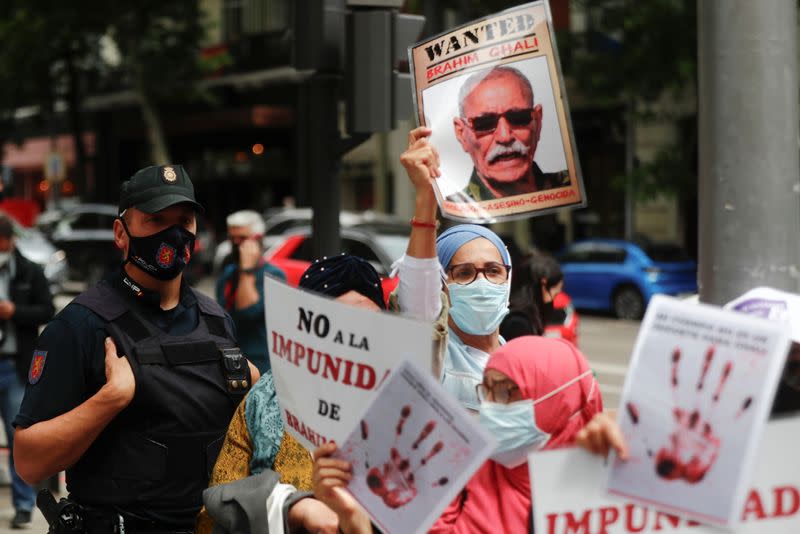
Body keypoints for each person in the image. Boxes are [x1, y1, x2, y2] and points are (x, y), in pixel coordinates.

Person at [13, 164, 259, 533]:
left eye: (184, 221)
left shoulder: (216, 321)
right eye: (156, 219)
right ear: (121, 233)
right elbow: (29, 462)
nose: (173, 233)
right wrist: (110, 399)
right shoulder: (82, 325)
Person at [312, 336, 603, 534]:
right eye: (485, 389)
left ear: (559, 401)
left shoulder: (605, 494)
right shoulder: (460, 474)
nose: (489, 405)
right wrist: (354, 520)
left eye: (504, 391)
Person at [198, 254, 388, 534]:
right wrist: (291, 507)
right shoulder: (265, 400)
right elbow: (214, 511)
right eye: (338, 325)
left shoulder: (403, 404)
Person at [576, 286, 800, 460]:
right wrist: (615, 435)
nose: (776, 383)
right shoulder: (677, 439)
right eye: (755, 367)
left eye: (794, 367)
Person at [395, 126, 513, 411]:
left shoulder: (520, 359)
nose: (481, 282)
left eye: (493, 270)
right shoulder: (434, 360)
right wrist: (426, 197)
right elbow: (419, 304)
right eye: (464, 273)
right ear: (441, 285)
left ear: (509, 278)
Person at [0, 214, 55, 529]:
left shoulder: (30, 271)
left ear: (10, 242)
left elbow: (47, 309)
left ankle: (23, 505)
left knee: (18, 439)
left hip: (15, 365)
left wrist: (14, 311)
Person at [447, 65, 569, 203]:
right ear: (461, 134)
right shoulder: (447, 208)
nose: (505, 137)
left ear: (538, 122)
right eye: (485, 123)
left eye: (518, 118)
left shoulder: (570, 184)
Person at [216, 210, 286, 374]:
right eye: (232, 238)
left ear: (258, 239)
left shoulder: (274, 275)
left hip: (260, 365)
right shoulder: (228, 273)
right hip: (231, 362)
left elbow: (248, 311)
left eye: (242, 239)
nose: (235, 244)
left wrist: (246, 270)